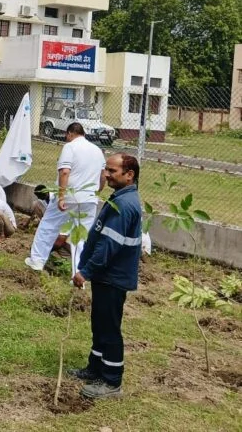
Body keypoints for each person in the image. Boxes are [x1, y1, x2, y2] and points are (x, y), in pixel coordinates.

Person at [70, 154, 142, 400]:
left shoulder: (125, 205)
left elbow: (109, 246)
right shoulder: (120, 198)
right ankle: (96, 368)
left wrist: (86, 271)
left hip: (113, 277)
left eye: (112, 171)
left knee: (109, 328)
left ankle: (111, 382)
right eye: (106, 170)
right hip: (106, 276)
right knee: (99, 324)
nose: (106, 174)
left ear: (129, 174)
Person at [25, 122, 105, 275]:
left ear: (69, 134)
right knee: (80, 237)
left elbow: (64, 173)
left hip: (69, 197)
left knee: (48, 226)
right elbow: (103, 177)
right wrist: (96, 193)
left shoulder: (70, 147)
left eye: (66, 136)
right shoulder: (97, 150)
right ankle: (78, 275)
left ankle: (36, 261)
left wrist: (61, 197)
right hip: (89, 199)